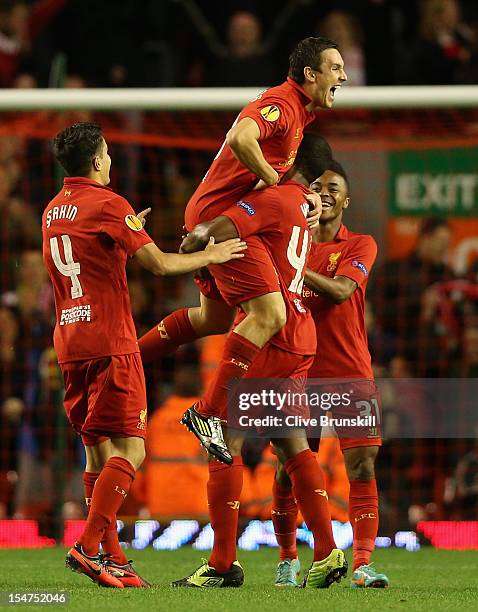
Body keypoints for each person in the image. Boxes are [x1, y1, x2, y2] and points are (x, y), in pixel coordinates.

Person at [41, 122, 246, 588]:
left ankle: (113, 558)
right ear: (96, 161)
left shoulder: (53, 210)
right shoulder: (110, 204)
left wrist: (127, 232)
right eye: (108, 153)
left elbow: (90, 254)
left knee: (97, 453)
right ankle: (89, 545)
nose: (111, 160)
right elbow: (161, 264)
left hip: (69, 342)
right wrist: (213, 256)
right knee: (132, 449)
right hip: (111, 341)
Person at [138, 36, 347, 460]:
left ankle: (127, 359)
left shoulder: (299, 115)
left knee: (211, 318)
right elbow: (240, 137)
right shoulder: (283, 104)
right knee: (271, 313)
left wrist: (293, 196)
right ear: (311, 74)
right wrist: (276, 184)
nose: (343, 76)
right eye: (335, 67)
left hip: (222, 214)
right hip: (226, 219)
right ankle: (208, 412)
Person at [171, 135, 347, 589]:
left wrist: (191, 247)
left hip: (271, 333)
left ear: (291, 162)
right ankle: (327, 551)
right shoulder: (305, 208)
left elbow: (211, 233)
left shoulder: (275, 198)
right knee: (292, 445)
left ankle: (222, 564)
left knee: (220, 439)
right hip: (299, 330)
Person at [272, 160, 389, 588]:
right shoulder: (288, 242)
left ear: (346, 199)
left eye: (333, 187)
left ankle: (361, 564)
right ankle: (287, 559)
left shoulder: (359, 244)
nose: (324, 192)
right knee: (289, 468)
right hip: (296, 371)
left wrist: (294, 270)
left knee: (361, 465)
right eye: (317, 185)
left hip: (348, 371)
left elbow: (341, 291)